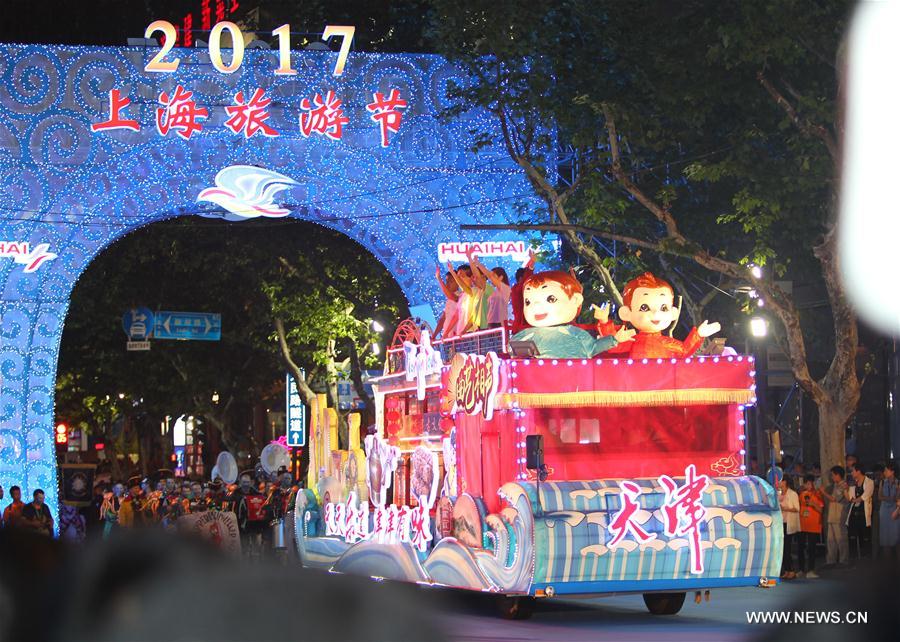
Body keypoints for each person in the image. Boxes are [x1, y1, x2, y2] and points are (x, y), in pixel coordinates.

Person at [511, 270, 635, 358]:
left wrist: (615, 339)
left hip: (575, 384)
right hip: (537, 386)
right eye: (528, 301)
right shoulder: (529, 335)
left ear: (575, 300)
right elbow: (513, 349)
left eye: (551, 299)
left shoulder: (575, 333)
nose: (536, 307)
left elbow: (592, 348)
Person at [597, 272, 721, 358]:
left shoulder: (667, 342)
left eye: (663, 308)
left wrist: (698, 335)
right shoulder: (633, 341)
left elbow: (684, 350)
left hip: (664, 389)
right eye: (644, 308)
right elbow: (613, 346)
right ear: (627, 313)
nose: (656, 313)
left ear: (673, 313)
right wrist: (604, 322)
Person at [470, 254, 511, 329]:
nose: (491, 278)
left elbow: (488, 276)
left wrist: (477, 263)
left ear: (501, 277)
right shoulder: (495, 291)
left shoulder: (505, 289)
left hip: (499, 323)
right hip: (490, 323)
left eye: (494, 276)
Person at [821, 465, 850, 567]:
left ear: (838, 475)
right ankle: (831, 560)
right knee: (831, 540)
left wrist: (823, 492)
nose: (832, 477)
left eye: (833, 475)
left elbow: (834, 498)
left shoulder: (843, 485)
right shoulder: (834, 485)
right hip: (832, 515)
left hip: (839, 515)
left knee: (840, 539)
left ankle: (844, 560)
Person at [797, 474, 824, 578]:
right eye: (807, 483)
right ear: (804, 484)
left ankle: (811, 570)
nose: (809, 485)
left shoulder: (817, 495)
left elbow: (821, 510)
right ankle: (801, 569)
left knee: (812, 548)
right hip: (802, 524)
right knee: (800, 547)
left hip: (813, 525)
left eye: (811, 483)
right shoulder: (801, 495)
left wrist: (813, 504)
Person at [846, 462, 874, 559]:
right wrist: (846, 490)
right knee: (853, 534)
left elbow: (865, 496)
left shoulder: (869, 482)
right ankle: (854, 557)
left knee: (865, 535)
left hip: (864, 512)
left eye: (853, 471)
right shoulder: (853, 483)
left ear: (858, 471)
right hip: (854, 512)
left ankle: (866, 556)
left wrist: (853, 500)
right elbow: (850, 498)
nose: (851, 473)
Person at [510, 250, 536, 334]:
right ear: (521, 279)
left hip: (522, 327)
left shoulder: (519, 289)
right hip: (522, 328)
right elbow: (527, 276)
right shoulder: (517, 289)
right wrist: (531, 264)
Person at [779, 476, 800, 579]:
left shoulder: (792, 494)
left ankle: (791, 570)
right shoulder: (779, 494)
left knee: (787, 548)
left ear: (785, 482)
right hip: (780, 522)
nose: (779, 483)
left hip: (788, 523)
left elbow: (797, 508)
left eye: (781, 481)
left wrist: (785, 508)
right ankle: (786, 570)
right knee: (782, 548)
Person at [877, 462, 899, 559]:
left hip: (895, 510)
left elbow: (898, 498)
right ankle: (887, 561)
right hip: (884, 510)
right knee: (884, 535)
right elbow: (879, 496)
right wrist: (891, 498)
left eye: (886, 470)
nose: (884, 472)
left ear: (892, 471)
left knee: (896, 533)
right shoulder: (882, 482)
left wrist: (892, 498)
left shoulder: (898, 483)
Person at [433, 267, 459, 339]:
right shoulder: (448, 300)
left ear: (458, 282)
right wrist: (434, 336)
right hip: (447, 337)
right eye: (446, 281)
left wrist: (439, 279)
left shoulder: (461, 295)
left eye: (450, 281)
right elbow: (442, 319)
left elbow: (452, 296)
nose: (447, 284)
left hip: (457, 336)